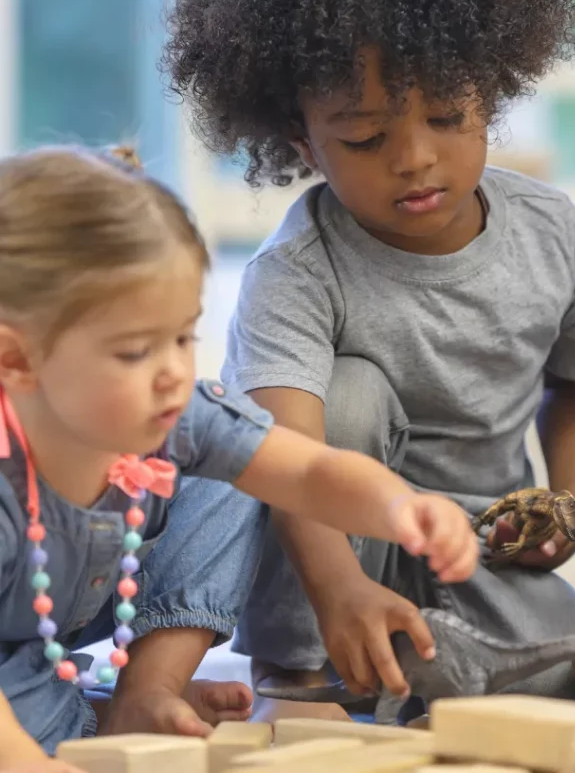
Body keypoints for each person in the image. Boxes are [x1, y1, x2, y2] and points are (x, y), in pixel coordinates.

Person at [161, 0, 575, 716]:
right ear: (303, 145)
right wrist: (338, 592)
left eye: (448, 118)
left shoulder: (551, 232)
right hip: (330, 555)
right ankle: (308, 667)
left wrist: (564, 504)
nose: (415, 159)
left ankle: (418, 673)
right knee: (344, 393)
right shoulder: (299, 272)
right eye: (366, 138)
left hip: (483, 549)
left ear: (492, 95)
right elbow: (287, 460)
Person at [0, 146, 477, 770]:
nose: (175, 372)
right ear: (17, 361)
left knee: (240, 471)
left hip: (53, 637)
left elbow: (305, 469)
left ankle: (146, 691)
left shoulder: (172, 412)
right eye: (135, 352)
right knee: (35, 728)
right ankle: (85, 710)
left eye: (183, 337)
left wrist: (398, 506)